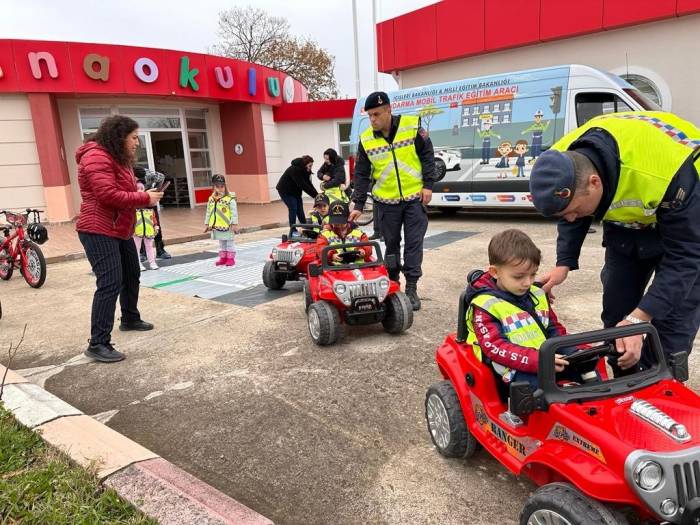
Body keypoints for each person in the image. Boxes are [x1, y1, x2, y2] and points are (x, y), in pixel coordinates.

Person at [529, 111, 700, 374]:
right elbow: (569, 210)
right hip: (629, 225)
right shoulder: (561, 161)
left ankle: (663, 386)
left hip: (686, 211)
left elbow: (686, 258)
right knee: (616, 316)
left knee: (671, 327)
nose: (572, 218)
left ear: (595, 182)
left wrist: (639, 318)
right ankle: (624, 388)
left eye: (575, 209)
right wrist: (563, 263)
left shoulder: (662, 171)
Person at [76, 115, 163, 363]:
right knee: (110, 282)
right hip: (98, 229)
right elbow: (107, 195)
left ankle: (130, 318)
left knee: (131, 274)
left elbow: (120, 189)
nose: (137, 143)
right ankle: (98, 342)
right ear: (119, 136)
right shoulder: (96, 156)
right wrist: (144, 198)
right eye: (134, 138)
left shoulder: (117, 157)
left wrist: (141, 193)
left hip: (119, 228)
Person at [349, 91, 435, 311]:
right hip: (386, 203)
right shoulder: (366, 140)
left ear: (388, 110)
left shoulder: (411, 126)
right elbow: (361, 173)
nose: (373, 119)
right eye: (369, 115)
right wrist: (358, 205)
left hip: (414, 199)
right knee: (392, 245)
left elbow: (427, 156)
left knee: (414, 244)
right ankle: (394, 283)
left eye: (376, 114)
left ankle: (412, 288)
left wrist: (428, 185)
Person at [465, 229, 584, 390]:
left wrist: (573, 350)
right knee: (538, 393)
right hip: (509, 368)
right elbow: (495, 347)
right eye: (518, 277)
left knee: (585, 372)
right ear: (495, 272)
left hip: (544, 358)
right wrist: (538, 361)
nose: (528, 283)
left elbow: (553, 329)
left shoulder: (537, 294)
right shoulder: (485, 306)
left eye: (533, 274)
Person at [133, 166, 171, 260]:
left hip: (149, 200)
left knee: (155, 224)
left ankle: (160, 250)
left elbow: (162, 177)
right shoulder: (128, 176)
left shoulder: (150, 174)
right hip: (137, 200)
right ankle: (142, 252)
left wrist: (156, 191)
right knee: (139, 226)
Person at [317, 200, 372, 265]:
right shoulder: (325, 234)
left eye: (342, 223)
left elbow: (368, 247)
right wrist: (331, 255)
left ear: (348, 218)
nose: (339, 226)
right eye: (336, 223)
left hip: (358, 267)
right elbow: (320, 249)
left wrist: (363, 251)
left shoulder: (359, 233)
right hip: (334, 269)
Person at [276, 155, 318, 236]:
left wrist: (317, 195)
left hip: (295, 192)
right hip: (285, 191)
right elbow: (302, 185)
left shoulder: (305, 170)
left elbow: (308, 184)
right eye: (309, 166)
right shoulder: (294, 169)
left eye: (311, 166)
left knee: (300, 209)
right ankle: (293, 231)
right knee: (293, 208)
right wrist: (315, 196)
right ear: (305, 164)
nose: (310, 168)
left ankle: (305, 227)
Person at [204, 174, 239, 267]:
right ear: (214, 187)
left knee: (229, 243)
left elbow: (234, 212)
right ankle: (223, 258)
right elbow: (208, 212)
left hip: (228, 225)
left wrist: (234, 223)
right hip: (218, 225)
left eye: (222, 186)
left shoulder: (229, 199)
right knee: (221, 243)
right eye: (217, 186)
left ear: (225, 186)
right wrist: (207, 223)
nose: (220, 188)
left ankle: (230, 259)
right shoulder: (211, 199)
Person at [133, 180, 159, 271]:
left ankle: (152, 262)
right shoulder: (133, 204)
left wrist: (155, 225)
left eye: (142, 188)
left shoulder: (148, 204)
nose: (140, 190)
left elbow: (153, 216)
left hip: (148, 230)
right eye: (137, 188)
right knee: (136, 248)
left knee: (150, 247)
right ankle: (138, 264)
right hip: (136, 231)